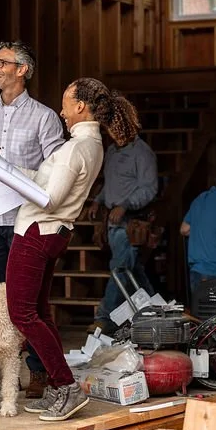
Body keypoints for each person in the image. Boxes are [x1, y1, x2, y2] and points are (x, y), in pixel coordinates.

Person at [0, 77, 141, 421]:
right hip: (53, 232)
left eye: (65, 103)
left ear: (80, 107)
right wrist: (2, 164)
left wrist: (0, 173)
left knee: (22, 314)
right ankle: (60, 387)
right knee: (40, 312)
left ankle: (65, 385)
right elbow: (47, 181)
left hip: (36, 229)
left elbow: (49, 197)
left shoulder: (76, 147)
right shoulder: (88, 145)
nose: (60, 111)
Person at [0, 40, 64, 398]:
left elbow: (55, 170)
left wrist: (12, 171)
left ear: (22, 70)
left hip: (26, 222)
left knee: (31, 301)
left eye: (2, 63)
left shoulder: (44, 117)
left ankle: (39, 372)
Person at [88, 132, 159, 333]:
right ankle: (155, 311)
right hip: (112, 220)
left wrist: (125, 205)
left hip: (131, 222)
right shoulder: (111, 151)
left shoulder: (142, 153)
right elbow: (112, 184)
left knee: (120, 269)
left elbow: (150, 188)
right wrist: (98, 200)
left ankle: (104, 318)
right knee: (132, 269)